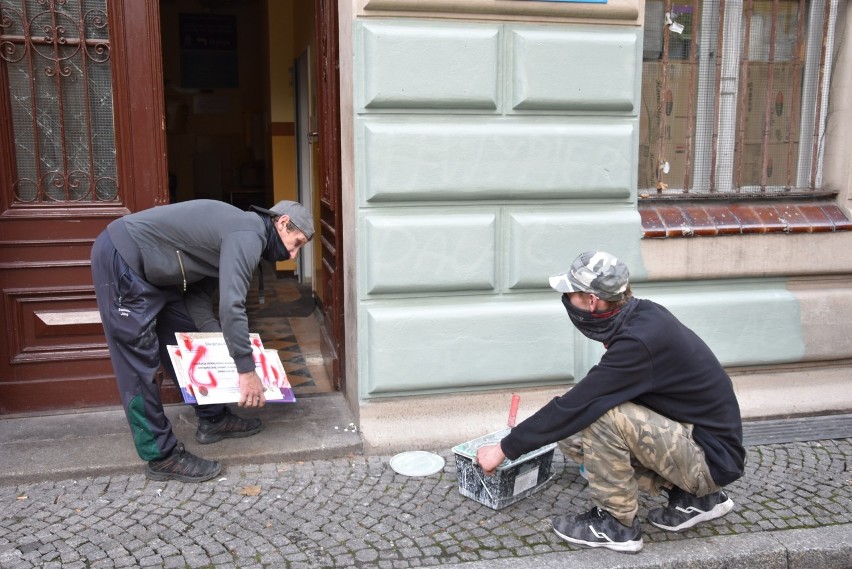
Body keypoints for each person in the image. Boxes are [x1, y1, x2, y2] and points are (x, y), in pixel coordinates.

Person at [476, 251, 745, 554]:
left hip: (709, 461)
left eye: (570, 294)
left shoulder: (640, 341)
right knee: (574, 434)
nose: (566, 300)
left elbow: (581, 402)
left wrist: (504, 449)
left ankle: (617, 526)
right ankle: (697, 501)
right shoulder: (642, 316)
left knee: (600, 415)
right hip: (705, 444)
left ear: (592, 301)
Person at [91, 199, 314, 483]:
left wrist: (218, 342)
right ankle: (161, 456)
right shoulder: (249, 234)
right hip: (123, 258)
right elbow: (232, 305)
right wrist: (246, 370)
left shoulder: (243, 233)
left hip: (157, 274)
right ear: (282, 223)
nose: (293, 255)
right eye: (296, 243)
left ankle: (213, 419)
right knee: (137, 365)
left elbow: (198, 295)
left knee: (186, 338)